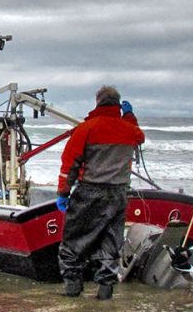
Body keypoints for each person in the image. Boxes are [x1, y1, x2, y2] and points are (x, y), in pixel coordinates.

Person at [55, 86, 145, 300]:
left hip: (89, 191)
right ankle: (105, 290)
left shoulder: (87, 129)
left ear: (98, 102)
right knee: (110, 241)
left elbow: (69, 164)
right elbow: (139, 137)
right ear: (118, 104)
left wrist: (63, 193)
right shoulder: (129, 129)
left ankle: (73, 288)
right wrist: (130, 116)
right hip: (119, 194)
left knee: (73, 241)